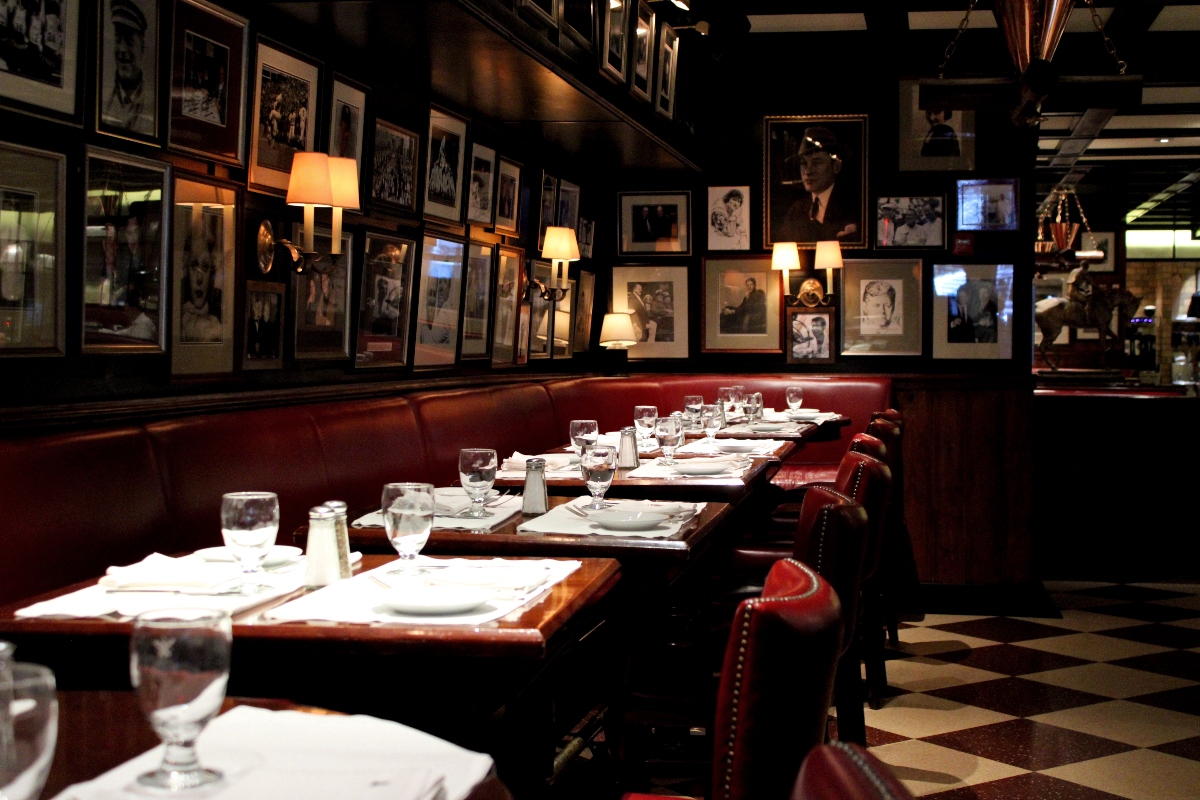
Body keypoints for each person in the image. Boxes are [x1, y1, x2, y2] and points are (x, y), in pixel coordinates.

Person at [779, 126, 859, 243]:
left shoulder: (853, 206)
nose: (807, 171)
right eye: (803, 163)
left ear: (836, 167)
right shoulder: (796, 211)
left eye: (816, 163)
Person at [104, 0, 153, 135]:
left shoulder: (151, 104)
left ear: (142, 46)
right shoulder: (103, 100)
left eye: (130, 42)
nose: (122, 49)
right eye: (118, 40)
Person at [179, 235, 221, 343]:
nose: (199, 279)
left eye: (205, 267)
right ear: (186, 270)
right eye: (194, 265)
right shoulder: (176, 307)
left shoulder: (220, 309)